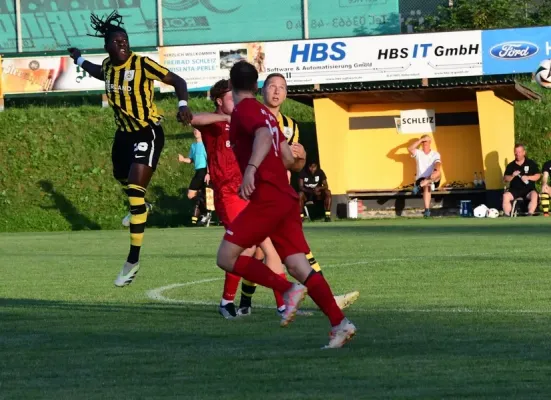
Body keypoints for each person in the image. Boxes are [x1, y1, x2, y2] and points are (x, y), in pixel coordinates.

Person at [216, 61, 356, 348]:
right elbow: (288, 158)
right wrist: (300, 160)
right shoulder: (267, 115)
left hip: (267, 198)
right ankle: (340, 324)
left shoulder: (245, 110)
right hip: (286, 198)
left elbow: (264, 138)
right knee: (298, 264)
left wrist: (252, 168)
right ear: (256, 86)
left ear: (230, 85)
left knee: (226, 258)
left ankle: (287, 291)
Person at [67, 11, 192, 287]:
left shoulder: (143, 64)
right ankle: (142, 206)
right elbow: (99, 72)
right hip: (123, 136)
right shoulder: (109, 67)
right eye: (118, 41)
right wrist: (77, 59)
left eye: (125, 39)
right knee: (120, 177)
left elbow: (178, 82)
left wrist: (183, 104)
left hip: (148, 131)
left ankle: (132, 261)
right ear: (107, 46)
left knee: (135, 190)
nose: (123, 43)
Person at [178, 129, 210, 225]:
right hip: (198, 171)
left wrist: (208, 173)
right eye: (194, 130)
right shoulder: (193, 146)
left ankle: (205, 213)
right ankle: (205, 212)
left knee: (206, 195)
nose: (195, 132)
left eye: (198, 130)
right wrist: (183, 159)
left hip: (204, 171)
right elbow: (191, 159)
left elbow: (209, 159)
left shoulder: (205, 144)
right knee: (191, 195)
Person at [407, 135, 442, 217]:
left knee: (438, 173)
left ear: (430, 142)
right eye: (423, 141)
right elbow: (410, 149)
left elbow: (438, 164)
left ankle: (421, 185)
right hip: (421, 179)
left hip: (432, 178)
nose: (425, 143)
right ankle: (427, 210)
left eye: (426, 141)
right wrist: (421, 139)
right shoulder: (418, 153)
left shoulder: (435, 154)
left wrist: (435, 170)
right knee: (427, 185)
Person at [503, 144, 540, 216]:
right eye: (516, 152)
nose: (517, 154)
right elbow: (505, 179)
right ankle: (506, 215)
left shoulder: (531, 163)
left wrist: (528, 177)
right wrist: (512, 175)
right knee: (505, 196)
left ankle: (530, 213)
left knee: (534, 195)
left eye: (519, 152)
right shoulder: (511, 165)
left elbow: (538, 175)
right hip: (515, 190)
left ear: (524, 152)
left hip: (528, 190)